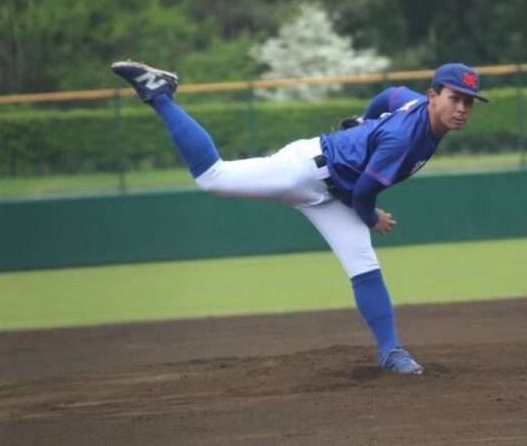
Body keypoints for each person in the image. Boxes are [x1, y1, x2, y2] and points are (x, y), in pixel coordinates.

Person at [111, 60, 488, 375]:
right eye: (454, 98)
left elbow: (390, 95)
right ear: (433, 96)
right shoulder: (405, 139)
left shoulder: (417, 108)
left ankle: (390, 352)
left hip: (335, 193)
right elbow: (363, 195)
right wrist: (373, 219)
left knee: (363, 265)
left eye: (469, 102)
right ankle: (160, 94)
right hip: (306, 170)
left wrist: (367, 123)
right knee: (213, 178)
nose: (462, 108)